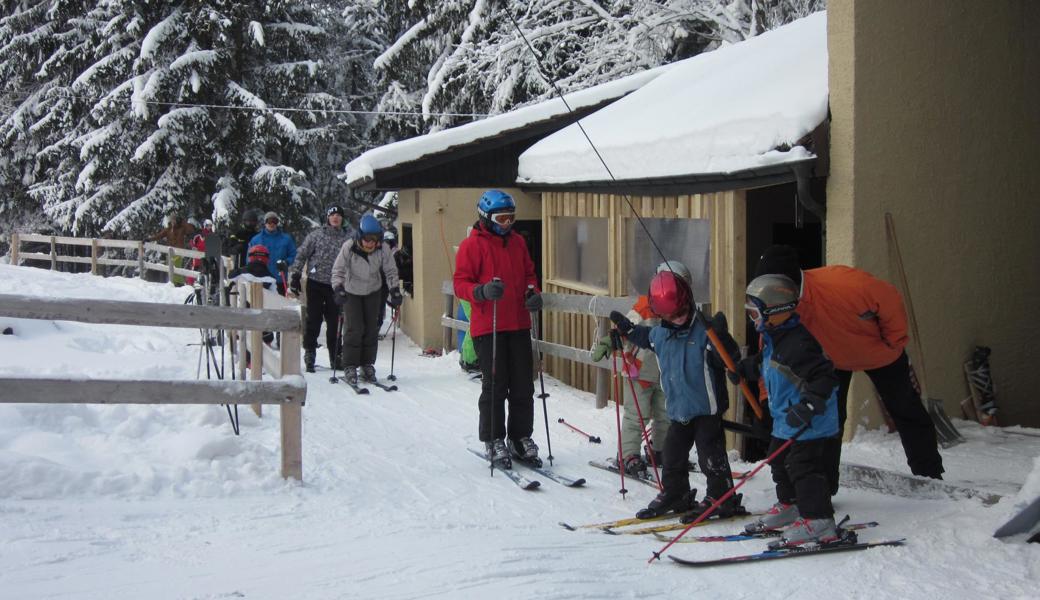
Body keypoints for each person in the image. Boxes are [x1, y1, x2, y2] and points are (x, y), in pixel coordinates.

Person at [754, 245, 944, 492]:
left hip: (879, 354)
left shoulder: (844, 284)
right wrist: (766, 398)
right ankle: (824, 487)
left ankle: (929, 476)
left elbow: (889, 299)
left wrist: (894, 340)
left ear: (787, 285)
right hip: (830, 363)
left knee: (905, 408)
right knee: (829, 419)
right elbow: (771, 357)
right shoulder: (777, 310)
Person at [609, 264, 745, 523]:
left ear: (689, 302)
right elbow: (644, 336)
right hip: (679, 410)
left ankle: (721, 495)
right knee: (672, 454)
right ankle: (677, 492)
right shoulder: (660, 335)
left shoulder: (706, 333)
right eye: (671, 316)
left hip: (706, 410)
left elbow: (729, 357)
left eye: (682, 312)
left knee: (710, 456)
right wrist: (627, 330)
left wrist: (723, 340)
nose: (679, 319)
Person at [737, 274, 840, 546]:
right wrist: (745, 367)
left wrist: (808, 405)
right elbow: (767, 362)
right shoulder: (776, 337)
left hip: (809, 422)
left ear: (775, 311)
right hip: (787, 419)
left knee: (802, 466)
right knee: (778, 460)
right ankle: (791, 505)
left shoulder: (798, 343)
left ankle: (819, 521)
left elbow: (825, 377)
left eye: (754, 313)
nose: (752, 319)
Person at [454, 190, 543, 469]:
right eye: (501, 218)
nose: (506, 223)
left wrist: (533, 293)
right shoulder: (472, 245)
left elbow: (529, 274)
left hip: (518, 322)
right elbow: (460, 283)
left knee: (522, 385)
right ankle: (493, 438)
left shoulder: (517, 243)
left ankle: (520, 437)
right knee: (495, 386)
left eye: (510, 218)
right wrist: (480, 291)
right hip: (488, 325)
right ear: (486, 217)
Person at [591, 281, 668, 476]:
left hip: (665, 373)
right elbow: (626, 328)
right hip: (639, 371)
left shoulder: (678, 313)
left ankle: (660, 450)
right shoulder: (644, 306)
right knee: (637, 416)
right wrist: (610, 340)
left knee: (665, 414)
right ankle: (628, 455)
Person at [330, 214, 402, 385]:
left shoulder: (382, 249)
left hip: (373, 290)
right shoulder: (349, 247)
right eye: (367, 239)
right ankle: (350, 365)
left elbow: (391, 271)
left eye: (374, 239)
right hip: (352, 291)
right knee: (354, 328)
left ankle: (367, 364)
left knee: (371, 328)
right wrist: (338, 288)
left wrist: (394, 290)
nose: (370, 243)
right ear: (360, 237)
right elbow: (338, 270)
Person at [290, 205, 353, 373]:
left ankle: (335, 356)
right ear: (327, 217)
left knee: (334, 322)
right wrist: (295, 275)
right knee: (314, 320)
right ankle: (310, 354)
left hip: (337, 285)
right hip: (316, 282)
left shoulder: (349, 238)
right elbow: (302, 254)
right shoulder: (316, 235)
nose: (335, 218)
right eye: (332, 215)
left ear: (342, 219)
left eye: (339, 215)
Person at [249, 211, 296, 295]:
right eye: (269, 221)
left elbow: (293, 254)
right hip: (261, 278)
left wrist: (286, 262)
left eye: (274, 221)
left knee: (279, 305)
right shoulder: (256, 240)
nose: (272, 224)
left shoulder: (286, 239)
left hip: (279, 278)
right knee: (261, 305)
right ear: (265, 223)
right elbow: (249, 258)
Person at [149, 212, 196, 285]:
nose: (173, 221)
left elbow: (191, 230)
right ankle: (173, 283)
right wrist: (149, 239)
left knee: (176, 267)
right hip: (170, 252)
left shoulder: (182, 228)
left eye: (174, 220)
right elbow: (159, 235)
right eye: (172, 220)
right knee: (170, 268)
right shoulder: (168, 229)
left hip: (178, 251)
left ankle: (179, 283)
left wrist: (183, 222)